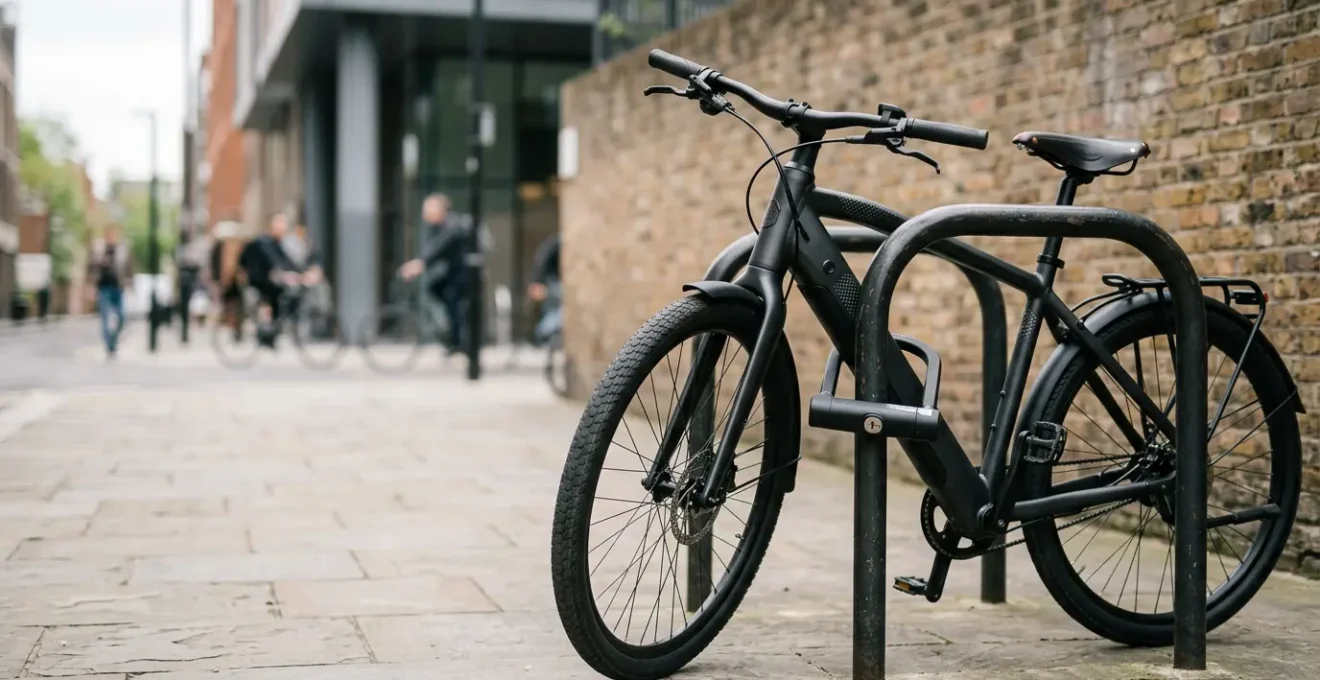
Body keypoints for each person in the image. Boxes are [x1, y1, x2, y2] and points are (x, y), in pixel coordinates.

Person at [398, 194, 475, 355]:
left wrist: (420, 262)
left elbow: (438, 245)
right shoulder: (437, 227)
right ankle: (452, 335)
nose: (424, 213)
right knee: (436, 288)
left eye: (428, 209)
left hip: (464, 274)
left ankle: (460, 341)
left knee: (455, 303)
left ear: (440, 210)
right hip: (454, 273)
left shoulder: (452, 224)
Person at [238, 212, 321, 347]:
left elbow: (286, 260)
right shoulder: (265, 242)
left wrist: (302, 272)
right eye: (280, 225)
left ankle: (271, 335)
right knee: (280, 296)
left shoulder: (276, 242)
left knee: (281, 298)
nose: (283, 228)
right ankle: (268, 332)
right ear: (273, 225)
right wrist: (294, 274)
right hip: (259, 280)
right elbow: (276, 261)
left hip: (267, 280)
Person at [86, 228, 134, 359]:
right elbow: (91, 268)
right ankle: (109, 348)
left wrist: (130, 283)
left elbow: (129, 268)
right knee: (105, 319)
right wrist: (90, 286)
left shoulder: (122, 250)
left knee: (122, 318)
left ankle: (113, 341)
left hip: (118, 288)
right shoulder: (99, 249)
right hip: (103, 288)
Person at [527, 233, 561, 346]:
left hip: (553, 284)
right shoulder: (558, 243)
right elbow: (542, 259)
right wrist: (537, 282)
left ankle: (544, 333)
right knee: (557, 310)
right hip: (552, 283)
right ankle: (542, 333)